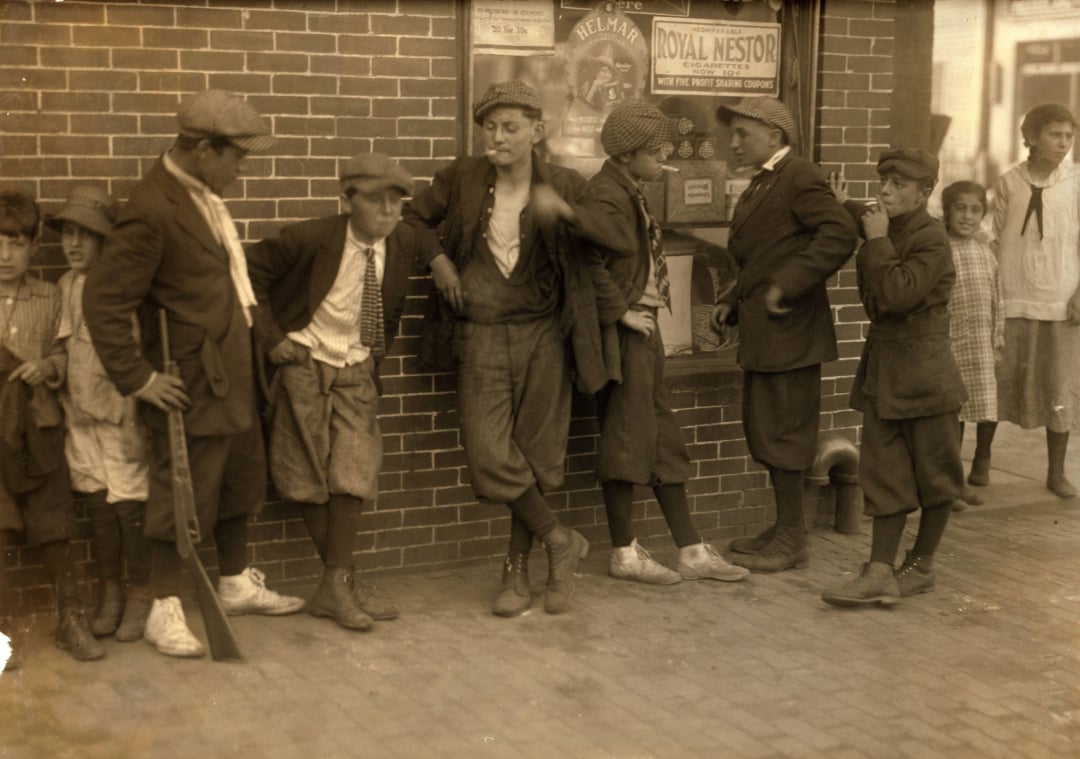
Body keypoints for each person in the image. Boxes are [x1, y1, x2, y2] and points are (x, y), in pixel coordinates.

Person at [83, 90, 304, 659]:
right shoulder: (152, 207)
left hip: (231, 374)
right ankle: (164, 609)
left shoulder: (202, 194)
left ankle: (233, 583)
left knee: (238, 482)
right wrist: (138, 379)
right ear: (203, 149)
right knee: (182, 496)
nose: (243, 166)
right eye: (237, 156)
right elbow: (103, 303)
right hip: (189, 383)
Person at [403, 81, 616, 616]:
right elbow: (412, 220)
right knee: (488, 452)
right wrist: (439, 262)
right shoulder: (461, 178)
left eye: (509, 127)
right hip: (479, 331)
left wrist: (620, 308)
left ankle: (518, 569)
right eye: (489, 128)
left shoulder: (566, 183)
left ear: (536, 132)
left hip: (544, 332)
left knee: (537, 454)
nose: (496, 137)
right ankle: (560, 540)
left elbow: (600, 248)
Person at [246, 153, 440, 632]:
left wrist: (375, 356)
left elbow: (391, 308)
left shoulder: (404, 241)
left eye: (397, 203)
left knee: (354, 468)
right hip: (304, 361)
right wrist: (273, 340)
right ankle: (341, 584)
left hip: (355, 364)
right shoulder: (309, 239)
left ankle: (336, 583)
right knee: (307, 468)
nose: (389, 213)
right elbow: (247, 278)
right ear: (348, 199)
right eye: (377, 202)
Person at [574, 103, 748, 585]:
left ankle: (690, 549)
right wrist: (621, 313)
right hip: (626, 335)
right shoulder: (607, 194)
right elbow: (586, 261)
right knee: (627, 439)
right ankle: (624, 553)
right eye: (655, 152)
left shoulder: (627, 187)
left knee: (662, 439)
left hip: (643, 333)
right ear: (628, 154)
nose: (665, 159)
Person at [711, 96, 857, 573]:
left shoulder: (799, 176)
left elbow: (838, 233)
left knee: (785, 432)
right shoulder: (762, 183)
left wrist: (788, 285)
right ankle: (784, 526)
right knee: (767, 428)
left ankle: (794, 536)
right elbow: (763, 256)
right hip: (767, 334)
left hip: (792, 334)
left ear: (774, 136)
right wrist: (732, 302)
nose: (733, 143)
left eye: (742, 134)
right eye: (732, 134)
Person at [822, 147, 966, 607]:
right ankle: (880, 570)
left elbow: (899, 293)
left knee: (935, 472)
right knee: (883, 473)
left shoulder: (931, 238)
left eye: (899, 184)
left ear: (925, 192)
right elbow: (867, 216)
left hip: (925, 375)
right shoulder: (889, 224)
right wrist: (841, 203)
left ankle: (920, 565)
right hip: (885, 372)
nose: (885, 191)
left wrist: (877, 241)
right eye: (884, 181)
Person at [0, 191, 104, 666]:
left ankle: (71, 621)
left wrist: (47, 366)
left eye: (17, 244)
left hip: (38, 426)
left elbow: (65, 354)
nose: (6, 255)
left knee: (54, 522)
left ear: (33, 246)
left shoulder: (50, 296)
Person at [49, 186, 153, 641]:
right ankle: (111, 591)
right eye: (67, 234)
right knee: (96, 503)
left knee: (128, 507)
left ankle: (139, 593)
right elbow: (66, 348)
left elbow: (136, 360)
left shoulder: (118, 289)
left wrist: (133, 422)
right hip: (81, 417)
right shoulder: (66, 286)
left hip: (116, 417)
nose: (73, 244)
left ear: (105, 241)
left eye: (85, 235)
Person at [988, 103, 1080, 499]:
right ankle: (979, 461)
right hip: (1012, 297)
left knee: (1058, 385)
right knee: (996, 382)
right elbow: (994, 239)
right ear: (1031, 138)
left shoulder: (1076, 182)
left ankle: (1056, 472)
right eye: (1055, 135)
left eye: (1068, 135)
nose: (1063, 143)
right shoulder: (1009, 183)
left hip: (1060, 299)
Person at [939, 181, 1004, 509]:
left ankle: (971, 470)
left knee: (984, 406)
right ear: (947, 211)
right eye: (960, 208)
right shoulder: (941, 249)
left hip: (981, 343)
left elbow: (997, 299)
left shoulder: (985, 253)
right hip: (952, 344)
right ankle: (951, 484)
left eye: (975, 210)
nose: (967, 216)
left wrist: (997, 339)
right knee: (954, 414)